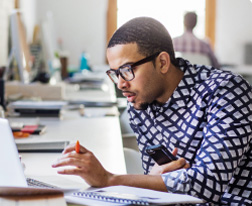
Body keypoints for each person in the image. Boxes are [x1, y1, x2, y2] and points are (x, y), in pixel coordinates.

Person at [52, 17, 252, 205]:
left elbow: (207, 183)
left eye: (127, 70)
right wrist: (154, 180)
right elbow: (156, 182)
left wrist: (109, 179)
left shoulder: (226, 90)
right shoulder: (140, 101)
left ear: (162, 63)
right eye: (115, 74)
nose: (121, 84)